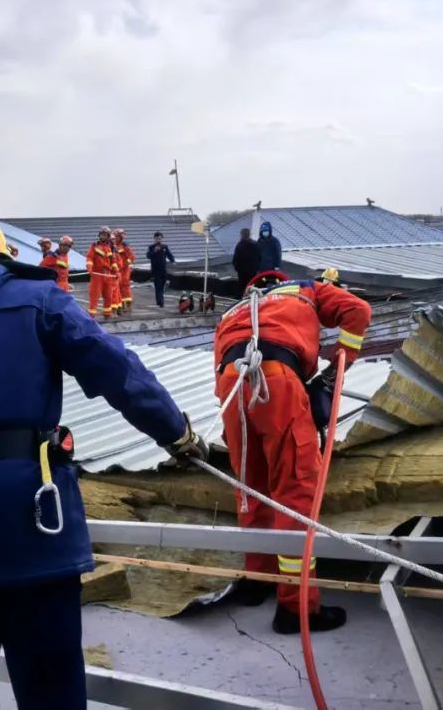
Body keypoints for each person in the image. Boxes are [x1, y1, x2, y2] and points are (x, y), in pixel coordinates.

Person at [0, 206, 209, 710]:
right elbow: (119, 374)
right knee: (51, 692)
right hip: (31, 530)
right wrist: (178, 436)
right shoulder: (37, 301)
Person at [213, 268, 371, 634]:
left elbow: (220, 368)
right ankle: (296, 609)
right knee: (295, 490)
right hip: (278, 377)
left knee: (250, 489)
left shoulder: (232, 314)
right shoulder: (306, 289)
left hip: (230, 384)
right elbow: (358, 312)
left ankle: (257, 580)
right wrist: (337, 368)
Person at [86, 226, 117, 320]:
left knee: (108, 296)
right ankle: (91, 316)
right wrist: (89, 268)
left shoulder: (110, 247)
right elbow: (89, 258)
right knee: (94, 295)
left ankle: (107, 314)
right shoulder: (94, 246)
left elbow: (113, 261)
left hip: (107, 274)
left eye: (105, 235)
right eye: (101, 234)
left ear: (108, 236)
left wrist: (116, 271)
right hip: (97, 274)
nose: (102, 236)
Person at [146, 231, 175, 307]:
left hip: (163, 269)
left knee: (162, 286)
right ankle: (160, 302)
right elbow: (148, 256)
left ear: (162, 239)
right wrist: (154, 251)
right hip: (156, 270)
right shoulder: (151, 247)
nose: (158, 240)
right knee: (158, 286)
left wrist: (173, 261)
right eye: (157, 238)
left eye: (160, 238)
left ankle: (160, 301)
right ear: (154, 239)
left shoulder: (165, 247)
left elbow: (169, 255)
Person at [232, 228, 261, 297]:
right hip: (252, 271)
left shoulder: (239, 245)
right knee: (252, 286)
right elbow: (259, 257)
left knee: (242, 287)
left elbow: (235, 259)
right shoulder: (255, 244)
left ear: (241, 235)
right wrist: (256, 268)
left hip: (242, 271)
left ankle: (241, 301)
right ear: (249, 234)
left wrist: (237, 268)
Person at [113, 229, 136, 312]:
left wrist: (126, 264)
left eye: (117, 237)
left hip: (125, 269)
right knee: (118, 286)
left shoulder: (125, 246)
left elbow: (132, 257)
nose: (116, 238)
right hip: (117, 269)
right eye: (115, 237)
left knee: (125, 285)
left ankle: (128, 305)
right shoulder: (113, 246)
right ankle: (121, 304)